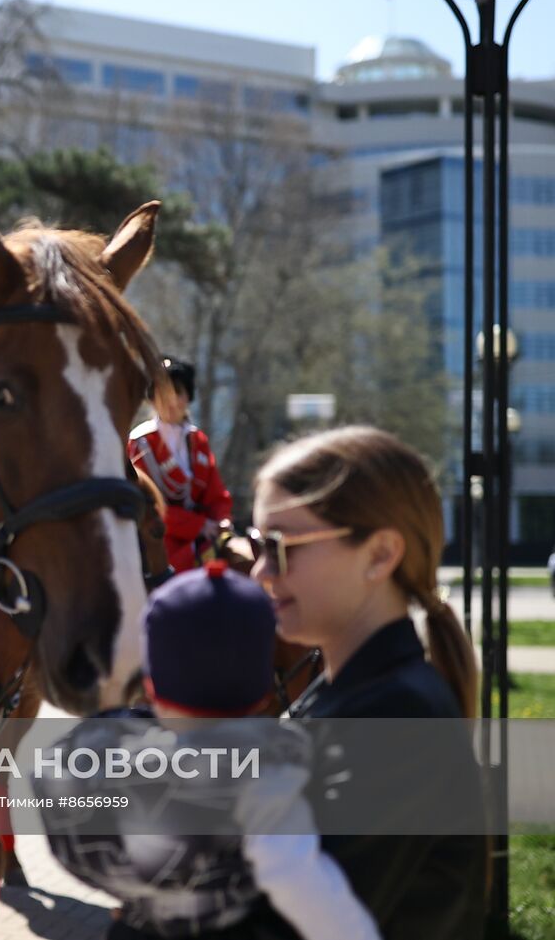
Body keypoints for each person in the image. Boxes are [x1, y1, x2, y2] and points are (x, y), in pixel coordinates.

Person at [37, 561, 381, 940]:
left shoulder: (97, 776)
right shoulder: (269, 781)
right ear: (264, 693)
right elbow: (305, 890)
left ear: (151, 689)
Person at [247, 426, 485, 939]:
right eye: (253, 545)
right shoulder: (348, 690)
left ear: (379, 555)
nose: (260, 572)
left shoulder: (399, 716)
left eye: (280, 546)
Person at [128, 356, 232, 572]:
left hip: (205, 533)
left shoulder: (198, 440)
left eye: (178, 392)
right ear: (152, 398)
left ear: (188, 397)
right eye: (164, 393)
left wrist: (222, 521)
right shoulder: (141, 442)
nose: (172, 401)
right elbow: (147, 503)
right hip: (160, 539)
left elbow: (216, 493)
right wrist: (198, 526)